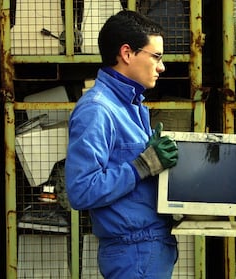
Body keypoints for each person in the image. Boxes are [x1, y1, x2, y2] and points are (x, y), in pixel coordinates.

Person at [65, 10, 179, 279]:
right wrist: (142, 165)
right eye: (156, 56)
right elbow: (81, 190)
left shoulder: (131, 106)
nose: (161, 66)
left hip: (147, 249)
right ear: (127, 54)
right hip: (134, 253)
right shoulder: (98, 110)